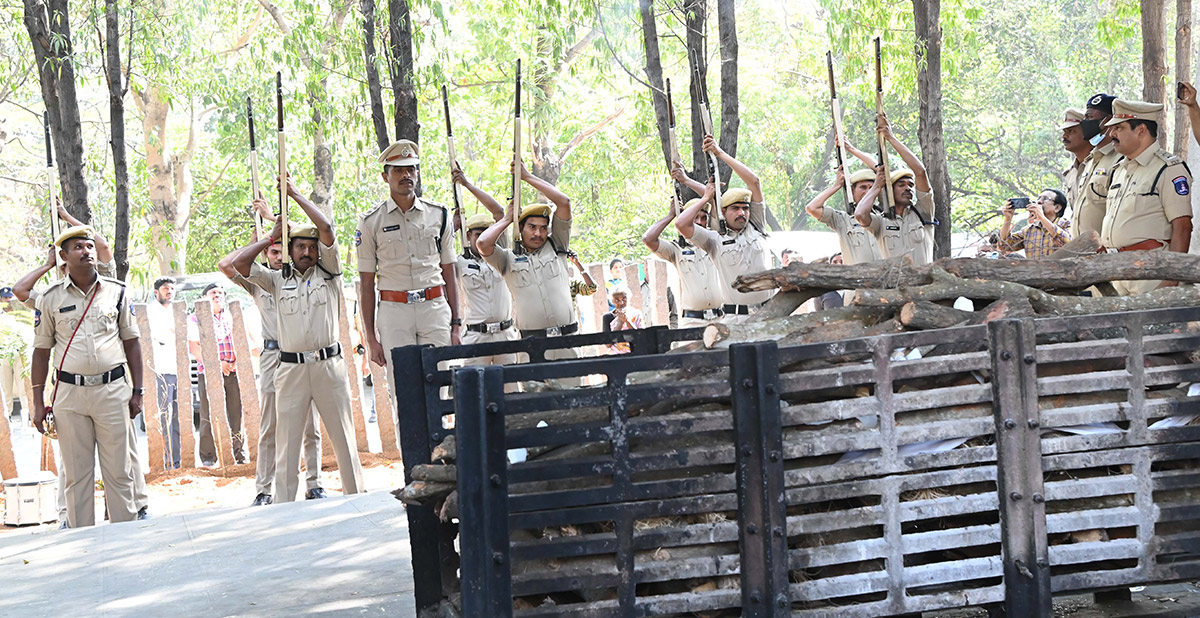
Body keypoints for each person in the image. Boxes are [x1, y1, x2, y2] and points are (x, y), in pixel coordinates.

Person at [231, 186, 364, 503]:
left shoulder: (330, 274)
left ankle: (358, 501)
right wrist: (269, 237)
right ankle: (283, 509)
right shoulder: (275, 279)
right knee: (287, 445)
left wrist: (293, 195)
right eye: (299, 247)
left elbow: (328, 229)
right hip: (289, 369)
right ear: (290, 250)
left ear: (319, 251)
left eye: (311, 247)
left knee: (344, 440)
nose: (306, 252)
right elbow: (238, 265)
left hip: (327, 366)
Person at [30, 226, 144, 528]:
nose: (87, 251)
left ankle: (125, 538)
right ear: (64, 257)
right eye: (78, 247)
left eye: (89, 246)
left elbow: (132, 342)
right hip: (70, 395)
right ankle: (84, 548)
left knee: (120, 472)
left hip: (113, 390)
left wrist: (138, 391)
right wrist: (37, 403)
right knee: (77, 475)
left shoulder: (117, 291)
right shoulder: (50, 298)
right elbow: (41, 352)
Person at [219, 194, 325, 505]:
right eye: (273, 252)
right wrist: (264, 235)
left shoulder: (306, 276)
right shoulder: (259, 281)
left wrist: (274, 220)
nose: (278, 256)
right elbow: (228, 264)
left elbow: (309, 237)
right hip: (273, 357)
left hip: (303, 356)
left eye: (282, 250)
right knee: (269, 427)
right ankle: (264, 489)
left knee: (309, 425)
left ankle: (314, 482)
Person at [357, 139, 460, 445]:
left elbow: (449, 272)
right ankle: (414, 469)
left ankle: (444, 463)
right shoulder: (371, 221)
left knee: (441, 386)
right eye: (399, 170)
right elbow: (366, 283)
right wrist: (371, 338)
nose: (407, 175)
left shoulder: (438, 215)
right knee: (403, 391)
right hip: (394, 312)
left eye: (412, 168)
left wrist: (456, 323)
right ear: (385, 176)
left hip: (434, 308)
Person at [475, 161, 578, 352]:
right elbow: (482, 244)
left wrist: (527, 176)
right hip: (531, 346)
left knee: (572, 383)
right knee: (533, 384)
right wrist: (507, 219)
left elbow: (564, 203)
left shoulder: (557, 245)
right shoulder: (507, 258)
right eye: (532, 227)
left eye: (543, 228)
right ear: (521, 229)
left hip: (567, 341)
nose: (538, 233)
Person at [675, 135, 776, 321]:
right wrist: (705, 198)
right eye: (736, 209)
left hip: (767, 315)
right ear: (723, 211)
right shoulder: (713, 238)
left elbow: (754, 181)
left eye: (745, 208)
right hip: (735, 319)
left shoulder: (756, 225)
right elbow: (681, 224)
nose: (742, 213)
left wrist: (720, 153)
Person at [1100, 99, 1193, 295]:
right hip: (1115, 271)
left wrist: (1171, 278)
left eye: (1118, 128)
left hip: (1151, 273)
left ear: (1141, 130)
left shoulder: (1168, 168)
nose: (1111, 134)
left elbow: (1182, 227)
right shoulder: (1118, 170)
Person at [450, 169, 519, 366]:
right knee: (474, 391)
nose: (481, 238)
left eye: (486, 233)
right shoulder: (459, 262)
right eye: (476, 234)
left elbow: (499, 212)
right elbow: (437, 253)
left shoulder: (502, 254)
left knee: (512, 391)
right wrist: (452, 228)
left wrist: (467, 185)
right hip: (476, 336)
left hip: (505, 335)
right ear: (467, 236)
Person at [854, 113, 937, 266]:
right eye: (901, 185)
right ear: (890, 191)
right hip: (893, 288)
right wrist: (877, 186)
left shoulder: (923, 211)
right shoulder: (880, 221)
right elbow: (860, 214)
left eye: (910, 185)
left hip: (923, 288)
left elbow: (920, 172)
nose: (908, 188)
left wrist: (891, 138)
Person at [642, 187, 724, 328]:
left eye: (703, 218)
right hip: (693, 321)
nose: (699, 222)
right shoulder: (677, 249)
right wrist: (671, 216)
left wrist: (703, 194)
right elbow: (648, 239)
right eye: (694, 218)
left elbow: (715, 197)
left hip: (720, 318)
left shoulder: (715, 242)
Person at [187, 283, 246, 466]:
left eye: (220, 293)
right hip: (209, 372)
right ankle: (208, 457)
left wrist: (233, 362)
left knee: (235, 413)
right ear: (205, 296)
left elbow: (240, 339)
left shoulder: (231, 316)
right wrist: (216, 365)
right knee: (207, 413)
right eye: (213, 292)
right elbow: (194, 346)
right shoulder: (196, 318)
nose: (217, 295)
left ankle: (239, 454)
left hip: (233, 371)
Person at [805, 167, 883, 265]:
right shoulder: (843, 219)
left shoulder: (884, 218)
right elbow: (812, 208)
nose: (868, 192)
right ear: (852, 190)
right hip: (856, 279)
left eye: (871, 188)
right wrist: (837, 185)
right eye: (863, 187)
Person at [1074, 94, 1122, 238]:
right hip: (1080, 250)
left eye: (1089, 118)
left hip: (1103, 253)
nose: (1084, 122)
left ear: (1107, 121)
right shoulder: (1090, 159)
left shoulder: (1119, 160)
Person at [146, 277, 181, 469]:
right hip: (160, 370)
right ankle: (166, 460)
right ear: (156, 291)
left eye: (172, 288)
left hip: (178, 370)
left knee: (178, 417)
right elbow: (162, 335)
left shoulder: (177, 310)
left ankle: (178, 460)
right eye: (166, 288)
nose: (169, 291)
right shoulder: (151, 311)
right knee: (163, 416)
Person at [999, 189, 1072, 259]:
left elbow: (1069, 243)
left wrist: (1042, 217)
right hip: (1034, 272)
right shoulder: (1029, 230)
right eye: (1039, 198)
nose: (1039, 202)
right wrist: (1008, 218)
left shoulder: (1067, 225)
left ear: (1057, 208)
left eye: (1045, 198)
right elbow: (1004, 246)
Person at [1059, 108, 1090, 209]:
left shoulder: (1100, 166)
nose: (1064, 136)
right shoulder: (1070, 173)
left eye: (1070, 131)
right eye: (1064, 131)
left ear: (1086, 132)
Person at [602, 284, 644, 354]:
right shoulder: (607, 317)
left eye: (624, 299)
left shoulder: (636, 314)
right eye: (617, 300)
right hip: (615, 355)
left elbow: (641, 337)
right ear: (612, 302)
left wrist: (627, 321)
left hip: (635, 353)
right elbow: (608, 344)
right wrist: (620, 322)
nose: (621, 303)